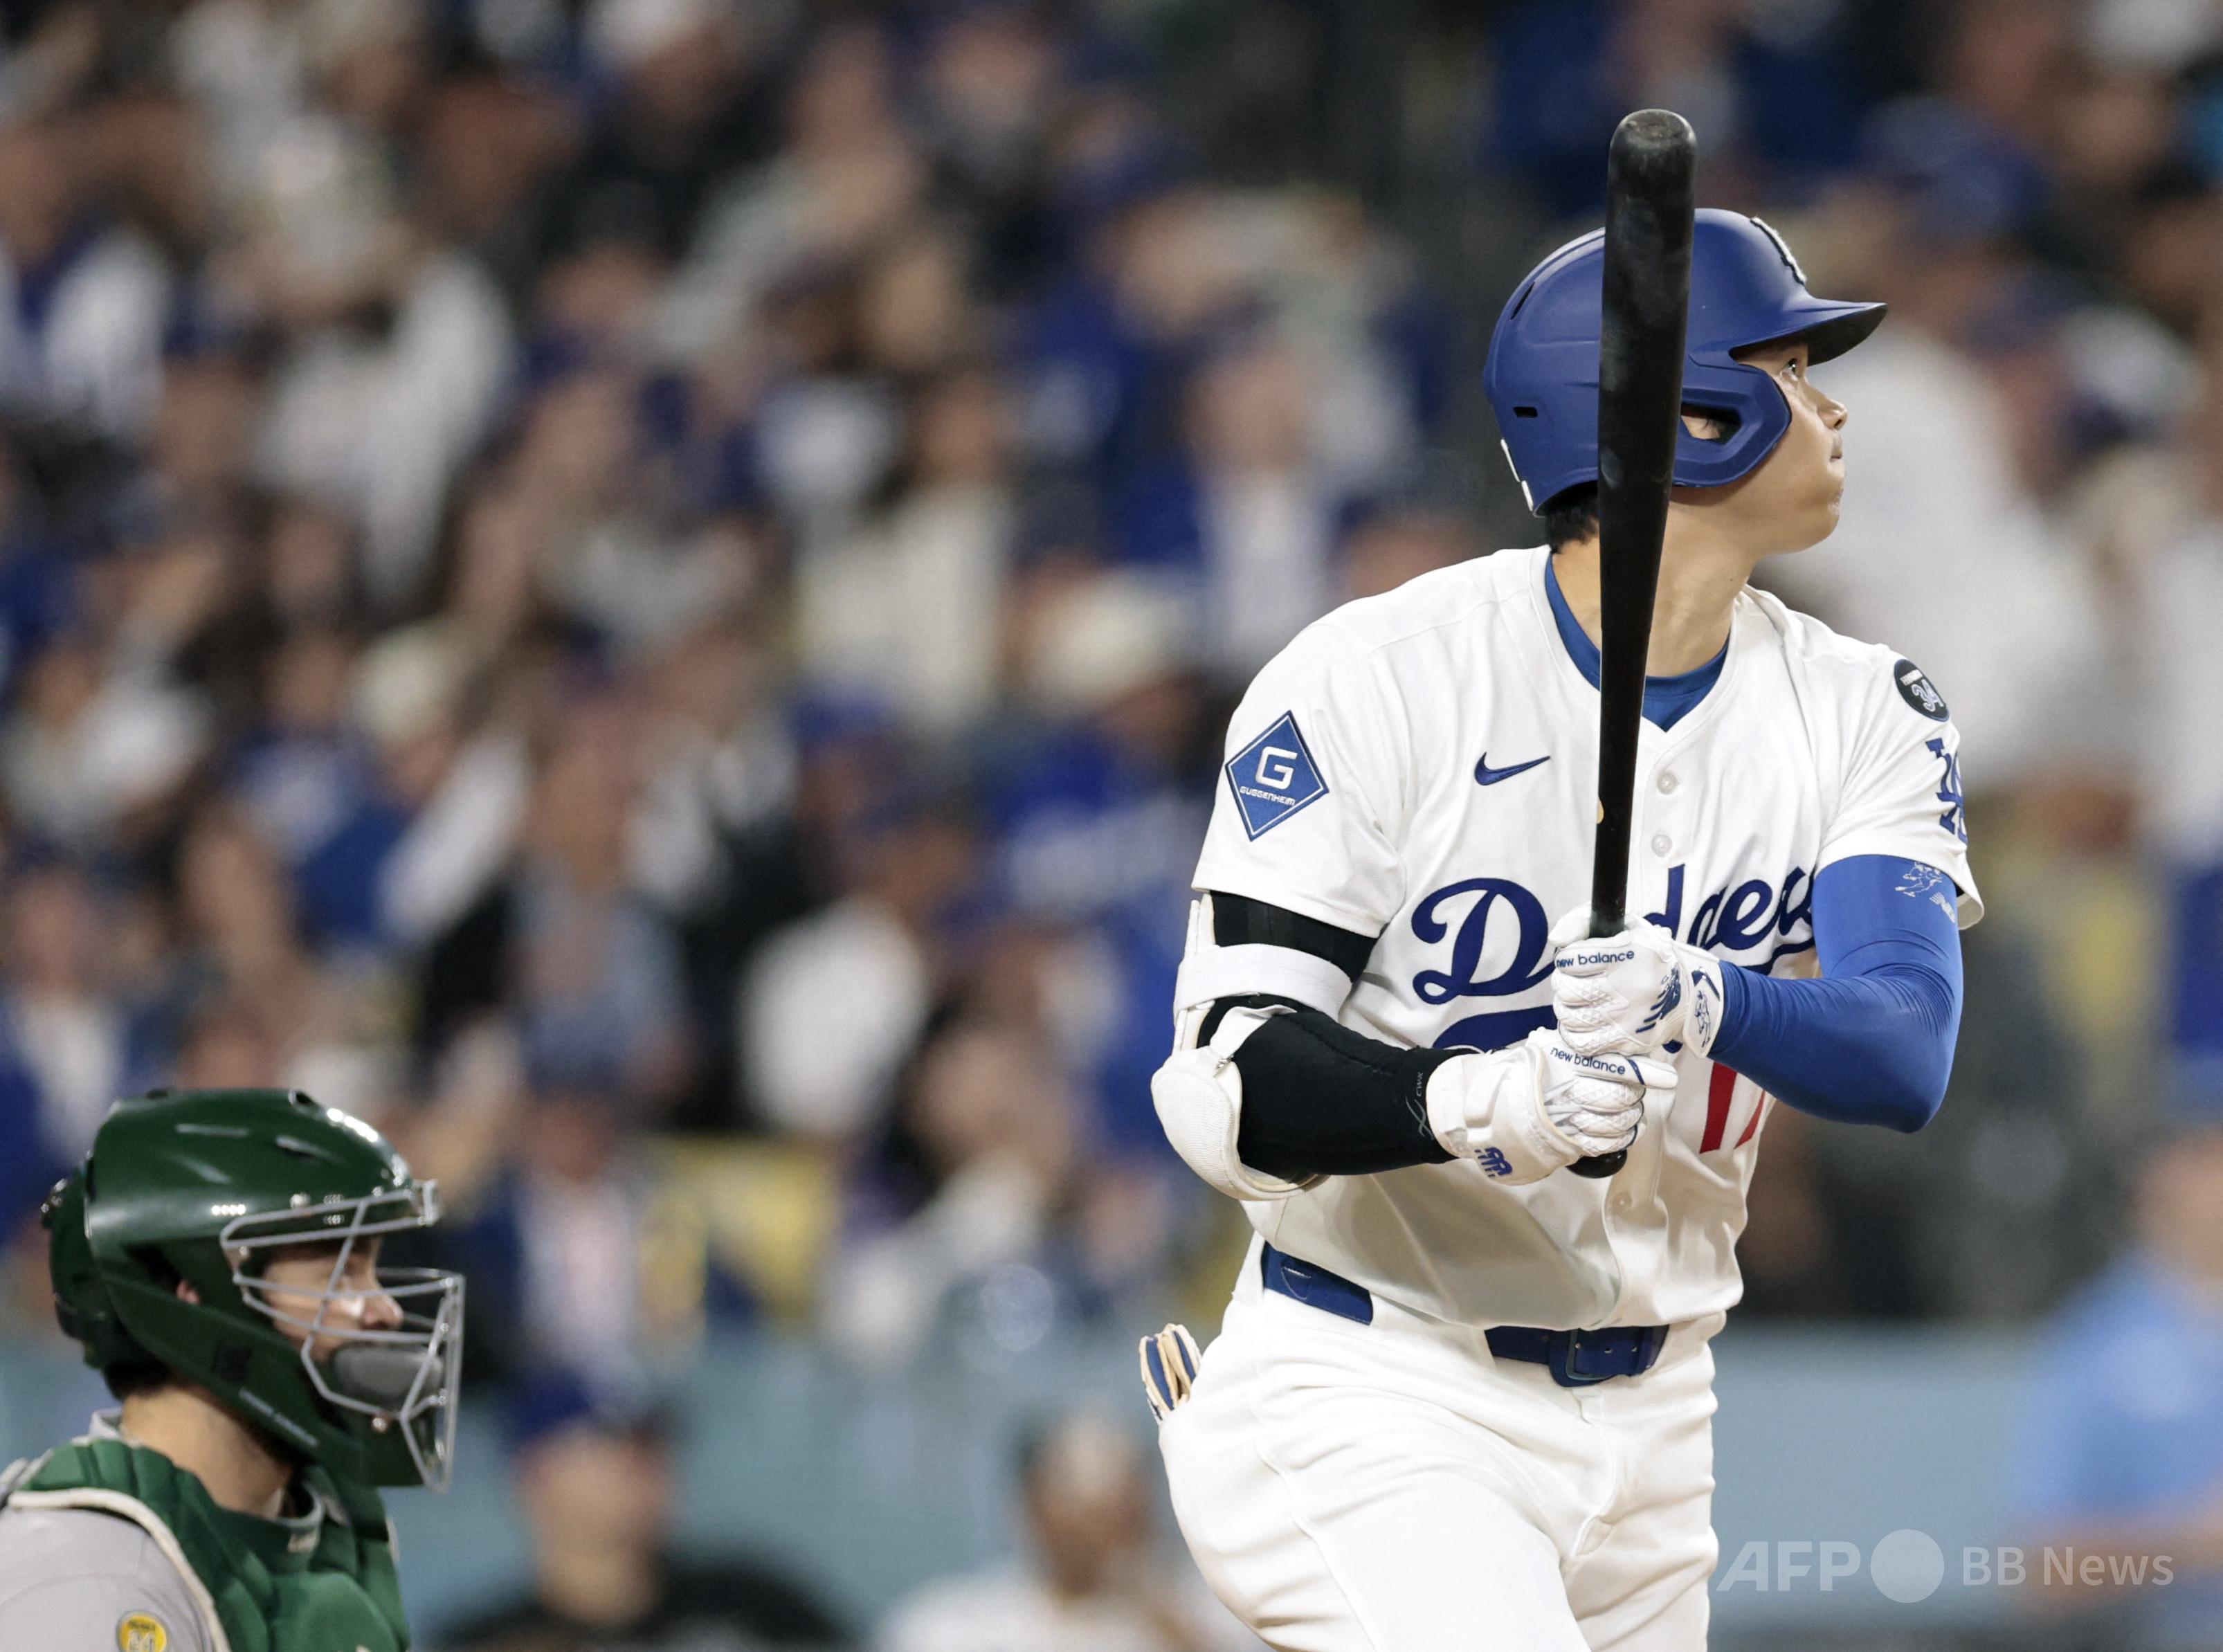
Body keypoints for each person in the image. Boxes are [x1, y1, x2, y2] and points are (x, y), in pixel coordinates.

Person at [1142, 210, 1980, 1651]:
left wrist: (1700, 993)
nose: (1832, 403)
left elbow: (1901, 1046)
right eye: (1788, 365)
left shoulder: (1858, 704)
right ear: (1691, 417)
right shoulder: (1380, 676)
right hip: (1379, 1372)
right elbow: (1227, 1079)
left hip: (1660, 1415)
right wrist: (1475, 1098)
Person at [0, 1086, 466, 1651]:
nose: (385, 1310)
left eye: (371, 1265)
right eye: (338, 1272)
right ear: (192, 1293)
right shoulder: (89, 1572)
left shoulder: (338, 1526)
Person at [439, 1370, 847, 1651]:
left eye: (652, 1442)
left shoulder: (759, 1607)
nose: (643, 1465)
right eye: (611, 1445)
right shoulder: (482, 1641)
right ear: (532, 1476)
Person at [2011, 1109, 2223, 1647]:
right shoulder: (2096, 1340)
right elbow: (2037, 1568)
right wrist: (2188, 1543)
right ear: (2155, 1179)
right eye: (2206, 1158)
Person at [878, 1408, 1245, 1652]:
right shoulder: (951, 1627)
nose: (1098, 1521)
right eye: (1075, 1493)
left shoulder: (1214, 1620)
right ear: (1029, 1505)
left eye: (1118, 1493)